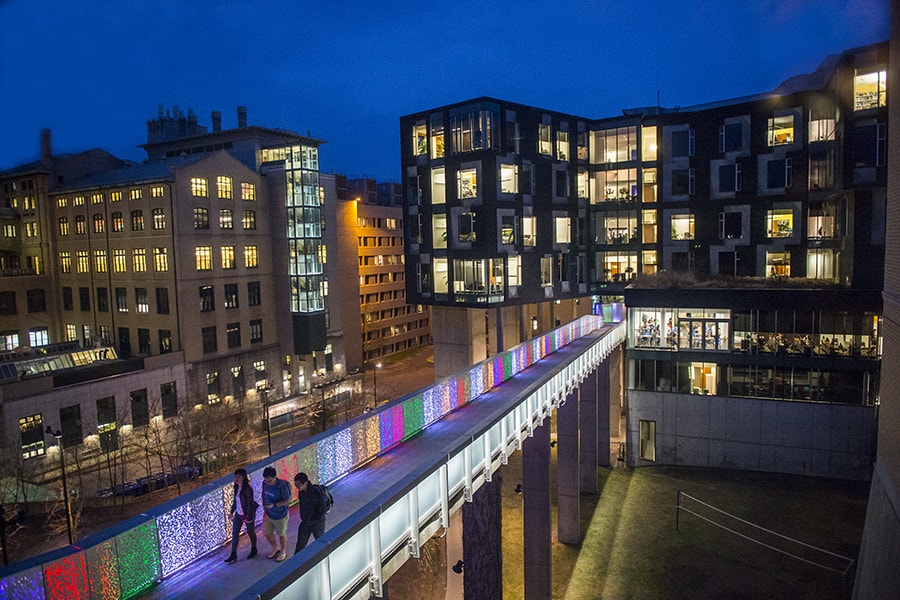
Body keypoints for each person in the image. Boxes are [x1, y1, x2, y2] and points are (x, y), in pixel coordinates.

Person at [224, 468, 259, 563]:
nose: (237, 479)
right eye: (236, 477)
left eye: (239, 477)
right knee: (235, 534)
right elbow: (235, 501)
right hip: (238, 514)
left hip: (247, 514)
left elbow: (249, 503)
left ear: (244, 477)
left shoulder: (248, 489)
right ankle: (233, 554)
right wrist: (231, 512)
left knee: (250, 531)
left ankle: (254, 549)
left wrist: (248, 517)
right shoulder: (236, 488)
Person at [261, 466, 292, 562]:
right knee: (267, 533)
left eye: (270, 481)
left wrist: (274, 505)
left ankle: (283, 551)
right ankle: (275, 548)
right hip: (268, 513)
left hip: (280, 514)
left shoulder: (282, 485)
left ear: (275, 477)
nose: (268, 483)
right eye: (266, 481)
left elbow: (288, 500)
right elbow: (263, 493)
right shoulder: (264, 483)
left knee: (281, 534)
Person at [293, 472, 327, 554]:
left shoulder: (316, 491)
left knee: (320, 544)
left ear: (305, 483)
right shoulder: (301, 492)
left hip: (317, 523)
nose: (297, 487)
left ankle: (324, 558)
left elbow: (322, 508)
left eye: (299, 484)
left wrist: (315, 518)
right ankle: (296, 563)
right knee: (300, 545)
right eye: (295, 484)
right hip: (306, 522)